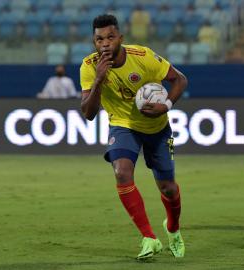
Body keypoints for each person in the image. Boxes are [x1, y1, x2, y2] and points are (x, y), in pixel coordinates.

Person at [80, 14, 187, 260]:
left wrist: (167, 105)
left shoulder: (143, 57)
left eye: (110, 37)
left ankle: (173, 228)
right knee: (121, 172)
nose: (105, 43)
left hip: (157, 128)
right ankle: (149, 237)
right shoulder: (89, 66)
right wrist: (98, 79)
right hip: (123, 125)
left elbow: (180, 79)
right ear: (94, 42)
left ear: (120, 38)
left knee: (168, 188)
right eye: (99, 39)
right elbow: (88, 113)